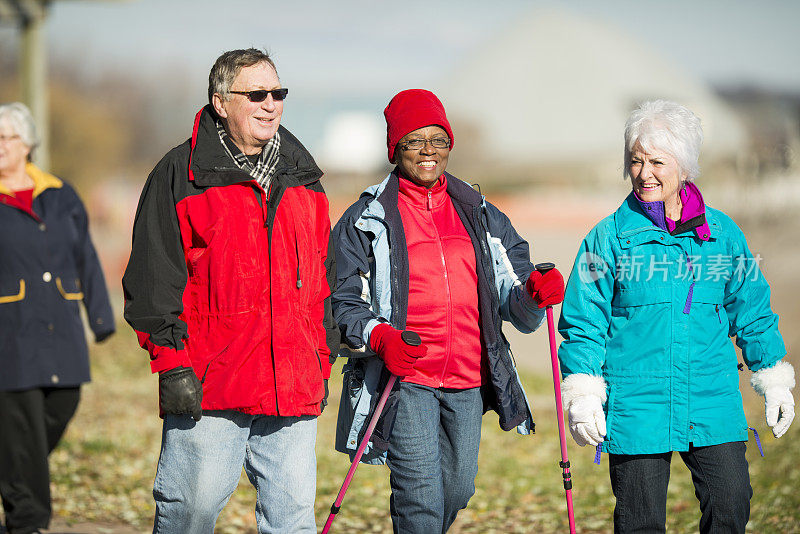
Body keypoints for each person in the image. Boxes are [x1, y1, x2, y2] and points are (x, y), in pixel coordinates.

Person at [121, 48, 337, 533]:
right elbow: (153, 280)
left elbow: (325, 278)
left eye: (278, 93)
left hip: (294, 383)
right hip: (212, 383)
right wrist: (172, 364)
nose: (270, 105)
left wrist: (322, 357)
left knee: (293, 520)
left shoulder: (307, 181)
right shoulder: (181, 174)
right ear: (221, 102)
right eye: (256, 94)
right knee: (189, 514)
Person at [332, 89, 565, 533]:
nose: (428, 152)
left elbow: (515, 294)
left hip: (467, 378)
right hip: (405, 377)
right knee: (420, 500)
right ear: (394, 149)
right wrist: (381, 337)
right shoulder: (367, 217)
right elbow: (343, 299)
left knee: (456, 491)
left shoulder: (478, 212)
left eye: (437, 140)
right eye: (414, 141)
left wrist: (535, 292)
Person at [558, 100, 795, 533]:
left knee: (731, 503)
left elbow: (752, 310)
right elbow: (584, 321)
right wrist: (584, 392)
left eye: (657, 162)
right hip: (637, 400)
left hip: (711, 395)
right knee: (640, 521)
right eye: (636, 161)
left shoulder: (722, 234)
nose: (644, 173)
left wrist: (773, 375)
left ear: (684, 167)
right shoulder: (608, 238)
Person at [0, 102, 116, 534]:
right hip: (9, 331)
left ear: (28, 143)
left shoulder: (60, 192)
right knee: (19, 423)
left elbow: (84, 253)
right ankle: (26, 520)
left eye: (6, 137)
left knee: (61, 406)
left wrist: (101, 316)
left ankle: (14, 472)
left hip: (61, 327)